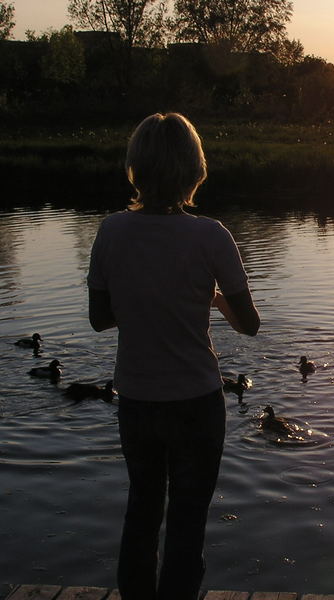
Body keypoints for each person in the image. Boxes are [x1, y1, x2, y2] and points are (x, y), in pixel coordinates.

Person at [87, 112, 260, 600]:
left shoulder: (111, 232)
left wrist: (145, 297)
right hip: (197, 401)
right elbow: (250, 326)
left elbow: (100, 318)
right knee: (187, 522)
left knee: (141, 512)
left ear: (136, 168)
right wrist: (212, 299)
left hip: (136, 399)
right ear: (194, 169)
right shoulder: (211, 236)